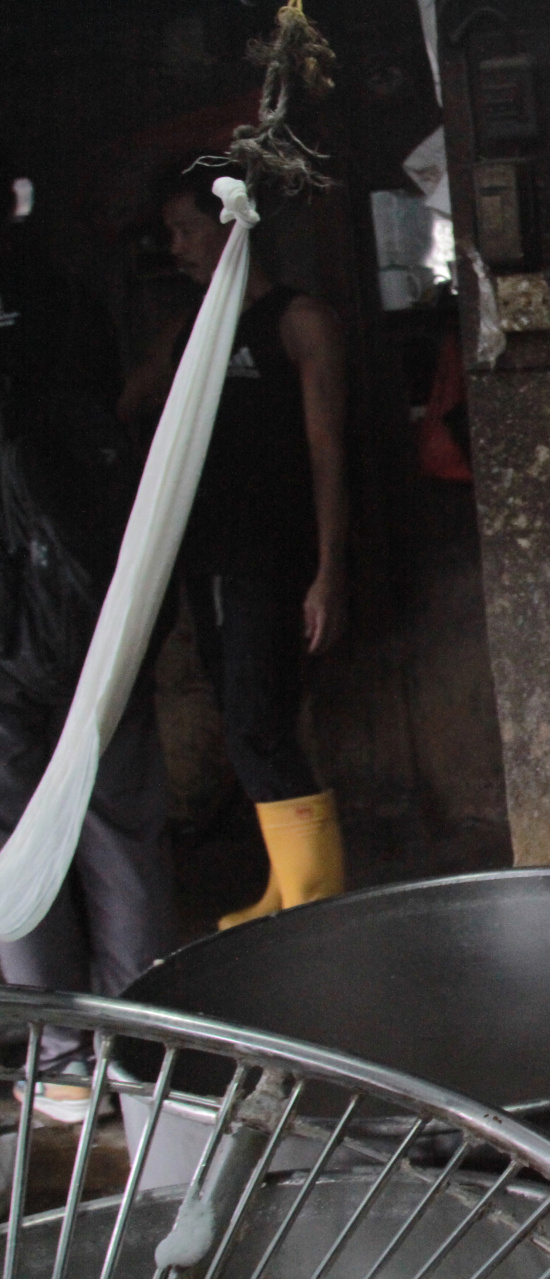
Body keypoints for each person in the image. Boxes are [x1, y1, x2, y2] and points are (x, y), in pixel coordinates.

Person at [121, 164, 350, 928]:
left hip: (271, 557)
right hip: (210, 556)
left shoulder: (298, 320)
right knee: (245, 717)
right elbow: (133, 398)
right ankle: (290, 889)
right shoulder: (192, 330)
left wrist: (327, 572)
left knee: (259, 718)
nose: (177, 246)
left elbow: (327, 453)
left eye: (187, 229)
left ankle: (315, 903)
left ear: (234, 224)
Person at [0, 149, 174, 1122]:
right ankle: (146, 1043)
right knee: (122, 831)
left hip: (17, 641)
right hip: (99, 617)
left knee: (20, 841)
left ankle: (64, 1062)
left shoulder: (58, 312)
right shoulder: (68, 307)